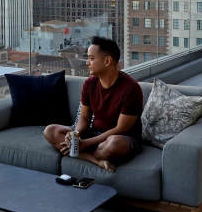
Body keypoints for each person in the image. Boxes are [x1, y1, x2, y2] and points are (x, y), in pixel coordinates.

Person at [43, 36, 144, 172]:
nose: (87, 63)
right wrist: (75, 135)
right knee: (50, 131)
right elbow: (84, 118)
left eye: (91, 58)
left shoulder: (131, 88)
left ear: (107, 61)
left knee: (114, 143)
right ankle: (96, 161)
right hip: (93, 133)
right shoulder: (89, 83)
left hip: (123, 138)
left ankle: (79, 154)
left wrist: (84, 144)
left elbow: (121, 129)